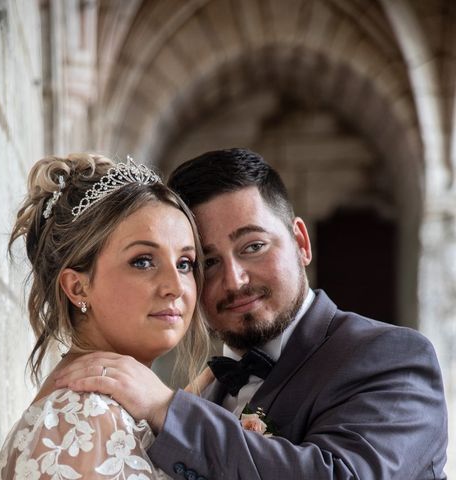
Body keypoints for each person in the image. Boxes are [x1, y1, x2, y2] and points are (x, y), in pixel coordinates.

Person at [54, 148, 448, 479]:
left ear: (300, 243)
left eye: (253, 246)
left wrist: (167, 409)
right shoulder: (206, 394)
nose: (235, 280)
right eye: (205, 261)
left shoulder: (393, 357)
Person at [0, 153, 210, 480]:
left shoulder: (120, 410)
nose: (175, 286)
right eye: (143, 261)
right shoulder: (81, 424)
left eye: (185, 263)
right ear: (78, 288)